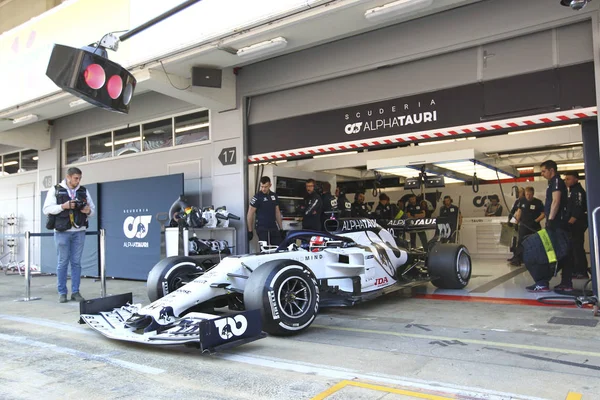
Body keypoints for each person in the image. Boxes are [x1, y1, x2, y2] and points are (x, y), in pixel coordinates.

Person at [43, 167, 95, 303]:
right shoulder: (55, 190)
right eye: (75, 178)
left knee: (76, 263)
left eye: (79, 178)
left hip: (79, 232)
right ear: (68, 177)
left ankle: (76, 292)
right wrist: (63, 206)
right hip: (62, 232)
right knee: (62, 262)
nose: (78, 181)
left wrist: (88, 210)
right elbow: (46, 209)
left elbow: (93, 211)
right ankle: (62, 292)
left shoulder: (84, 191)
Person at [525, 160, 568, 292]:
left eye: (544, 171)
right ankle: (554, 282)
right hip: (556, 224)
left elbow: (556, 201)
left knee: (552, 253)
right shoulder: (552, 183)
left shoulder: (556, 182)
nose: (542, 174)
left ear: (551, 170)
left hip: (556, 225)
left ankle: (545, 282)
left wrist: (550, 220)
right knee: (555, 253)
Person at [512, 187, 545, 266]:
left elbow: (543, 214)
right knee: (520, 242)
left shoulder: (538, 202)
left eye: (530, 194)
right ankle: (517, 259)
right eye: (527, 194)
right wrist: (516, 222)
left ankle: (538, 260)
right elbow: (519, 211)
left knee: (536, 243)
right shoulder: (522, 201)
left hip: (534, 226)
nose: (528, 196)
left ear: (533, 194)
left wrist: (536, 221)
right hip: (524, 225)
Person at [565, 171, 588, 280]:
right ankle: (575, 269)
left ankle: (582, 271)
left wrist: (570, 222)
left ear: (576, 179)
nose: (566, 181)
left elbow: (578, 210)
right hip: (573, 223)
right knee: (573, 247)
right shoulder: (571, 191)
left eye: (568, 178)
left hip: (577, 223)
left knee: (578, 246)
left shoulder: (578, 191)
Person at [247, 176, 284, 246]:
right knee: (265, 250)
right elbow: (250, 214)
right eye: (262, 186)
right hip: (262, 228)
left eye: (265, 187)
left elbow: (277, 212)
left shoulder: (274, 196)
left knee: (278, 248)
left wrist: (281, 228)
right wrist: (250, 230)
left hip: (273, 226)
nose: (263, 189)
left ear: (270, 185)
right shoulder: (257, 197)